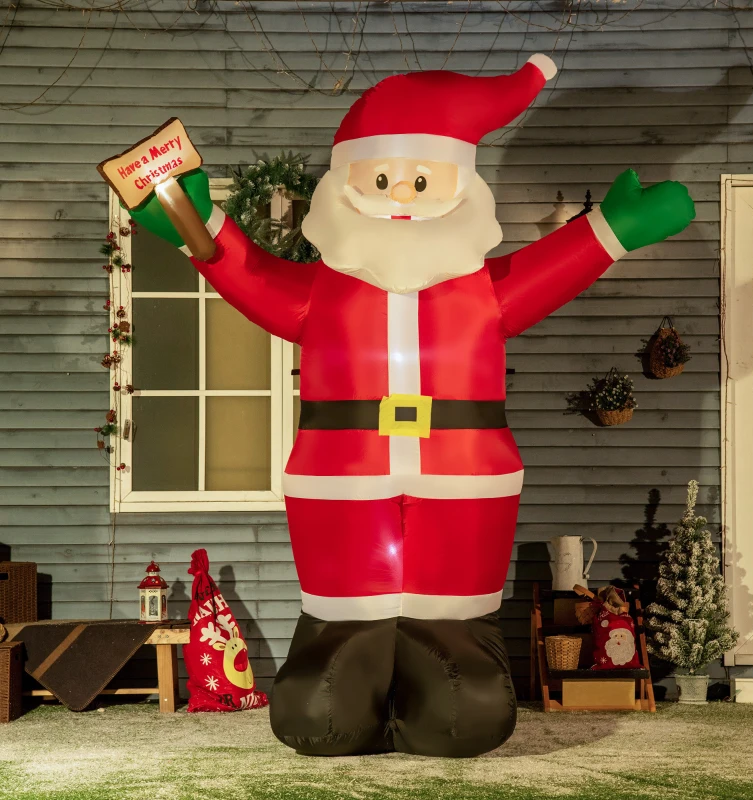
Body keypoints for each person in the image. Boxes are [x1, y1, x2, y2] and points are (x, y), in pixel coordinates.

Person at [130, 54, 695, 757]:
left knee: (459, 667)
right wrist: (196, 222)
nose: (400, 194)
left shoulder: (482, 290)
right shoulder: (321, 290)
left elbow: (547, 270)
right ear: (345, 183)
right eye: (380, 178)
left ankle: (451, 674)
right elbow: (251, 275)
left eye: (422, 180)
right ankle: (339, 664)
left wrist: (610, 229)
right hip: (343, 477)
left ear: (459, 185)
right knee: (329, 679)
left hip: (463, 476)